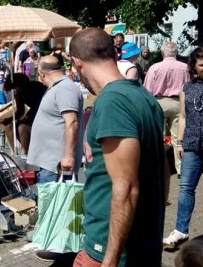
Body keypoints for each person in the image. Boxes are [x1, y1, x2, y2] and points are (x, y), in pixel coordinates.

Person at [69, 27, 165, 267]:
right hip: (140, 243)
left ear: (76, 63)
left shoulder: (113, 101)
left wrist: (110, 260)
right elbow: (164, 169)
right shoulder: (143, 95)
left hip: (110, 251)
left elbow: (127, 187)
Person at [163, 48, 203, 249]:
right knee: (186, 188)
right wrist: (179, 143)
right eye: (202, 64)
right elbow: (184, 118)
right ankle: (181, 230)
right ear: (194, 67)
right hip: (192, 146)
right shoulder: (187, 88)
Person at [27, 55, 83, 184]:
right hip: (49, 163)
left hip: (56, 164)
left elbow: (72, 122)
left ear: (42, 73)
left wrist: (68, 156)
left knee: (54, 203)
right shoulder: (56, 87)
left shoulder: (65, 88)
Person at [144, 41, 189, 176]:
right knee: (178, 137)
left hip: (160, 103)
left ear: (162, 53)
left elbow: (147, 89)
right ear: (176, 52)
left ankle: (160, 167)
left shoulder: (154, 68)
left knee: (160, 136)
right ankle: (180, 168)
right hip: (178, 102)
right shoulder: (185, 67)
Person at [2, 73, 47, 156]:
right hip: (31, 116)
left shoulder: (36, 87)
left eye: (16, 87)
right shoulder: (19, 93)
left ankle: (25, 152)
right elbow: (20, 111)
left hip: (42, 117)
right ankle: (13, 152)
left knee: (22, 127)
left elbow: (41, 106)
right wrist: (9, 119)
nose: (16, 89)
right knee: (9, 126)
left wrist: (28, 116)